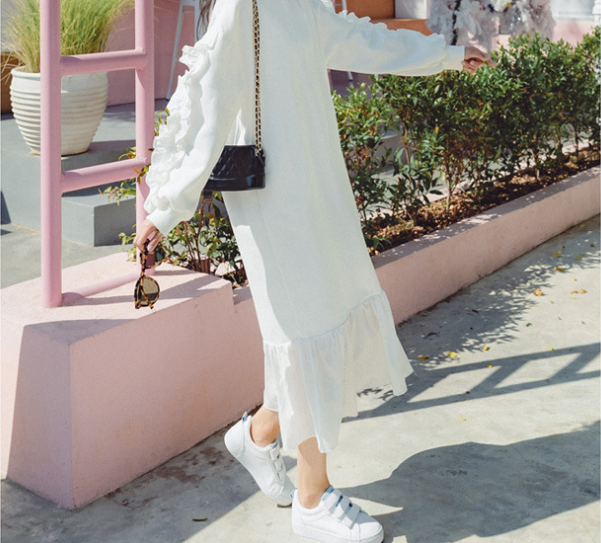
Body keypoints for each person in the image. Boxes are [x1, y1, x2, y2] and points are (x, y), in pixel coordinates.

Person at [134, 0, 493, 541]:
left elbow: (358, 39)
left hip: (316, 187)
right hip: (274, 200)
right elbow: (210, 108)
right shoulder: (241, 7)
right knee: (304, 333)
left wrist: (445, 55)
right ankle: (312, 498)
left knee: (320, 319)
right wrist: (165, 208)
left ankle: (258, 437)